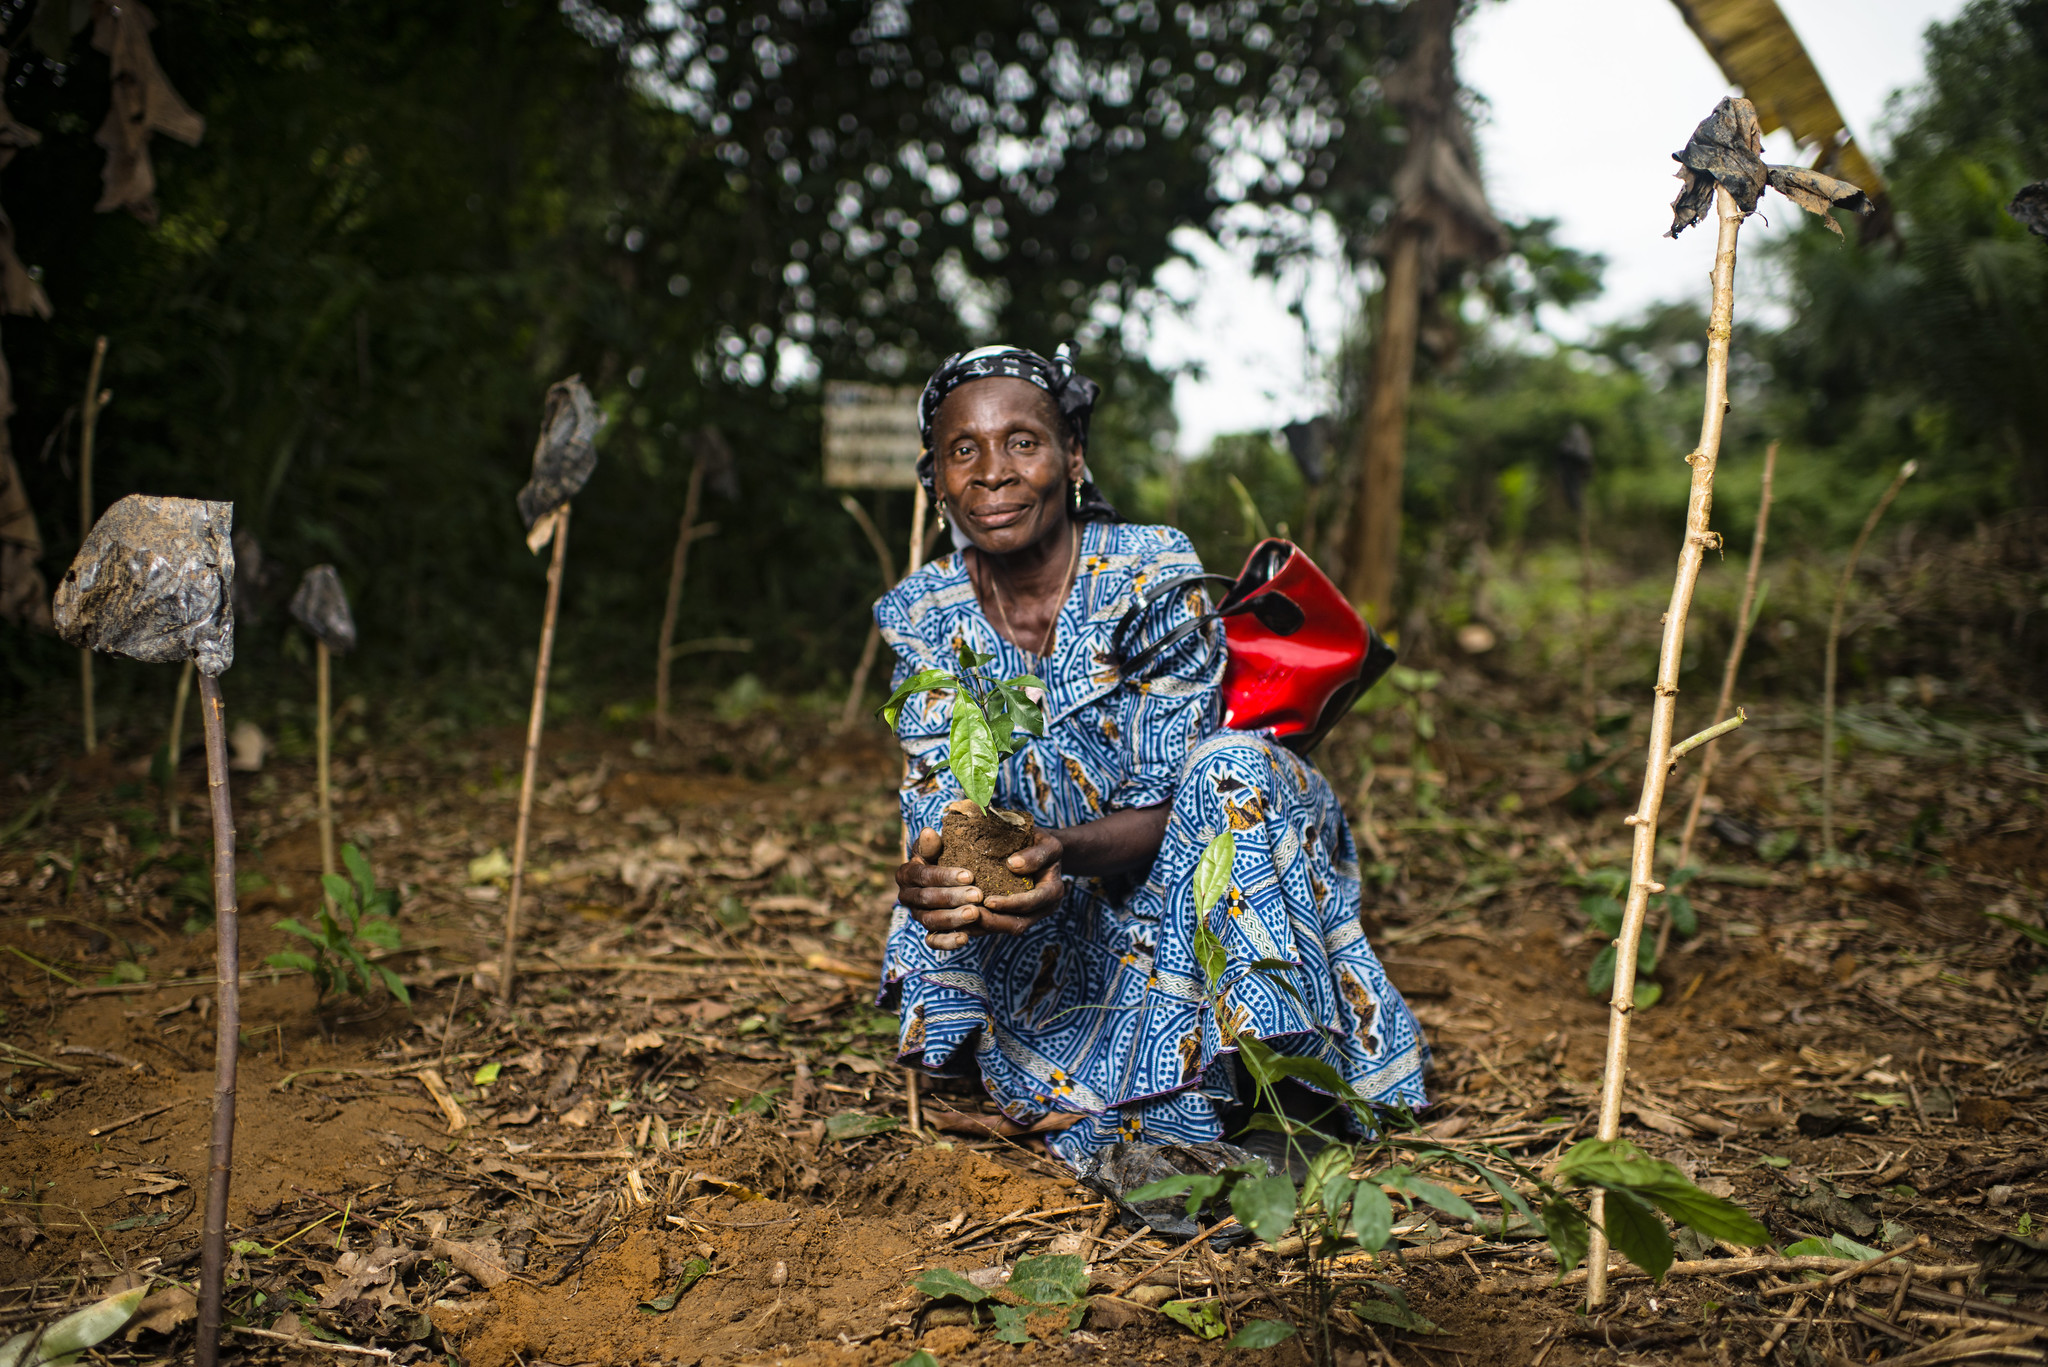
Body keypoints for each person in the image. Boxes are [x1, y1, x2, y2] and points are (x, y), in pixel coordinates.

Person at [876, 341, 1425, 1168]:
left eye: (1023, 440)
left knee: (1229, 770)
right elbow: (945, 798)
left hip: (1198, 876)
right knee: (951, 894)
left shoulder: (1150, 571)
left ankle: (1282, 1094)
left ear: (1073, 456)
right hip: (1058, 908)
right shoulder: (922, 614)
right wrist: (936, 877)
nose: (993, 471)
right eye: (964, 450)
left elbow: (1183, 805)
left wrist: (1064, 844)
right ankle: (1113, 1080)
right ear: (936, 476)